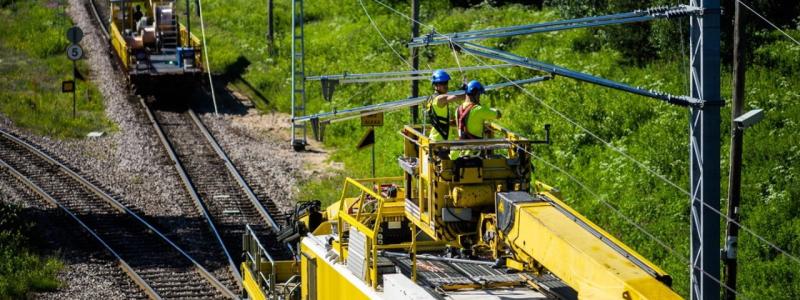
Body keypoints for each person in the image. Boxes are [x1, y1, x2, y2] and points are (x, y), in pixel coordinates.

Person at [454, 80, 501, 156]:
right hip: (476, 152)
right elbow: (498, 114)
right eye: (479, 94)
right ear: (474, 93)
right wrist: (494, 110)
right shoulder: (478, 109)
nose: (479, 98)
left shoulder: (457, 110)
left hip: (462, 152)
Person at [425, 70, 464, 142]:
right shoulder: (440, 99)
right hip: (440, 140)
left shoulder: (431, 98)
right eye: (442, 83)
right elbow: (457, 97)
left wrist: (448, 122)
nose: (445, 85)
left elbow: (436, 117)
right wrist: (468, 91)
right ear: (435, 85)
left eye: (446, 83)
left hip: (436, 137)